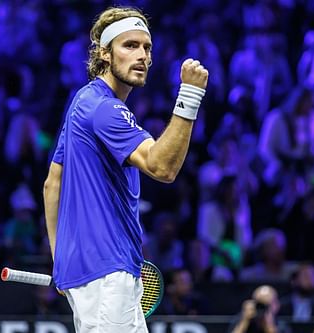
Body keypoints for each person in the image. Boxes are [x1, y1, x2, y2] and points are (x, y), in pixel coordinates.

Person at [43, 6, 208, 333]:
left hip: (97, 271)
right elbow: (162, 167)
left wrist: (60, 258)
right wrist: (190, 94)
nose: (142, 55)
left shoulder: (82, 102)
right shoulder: (105, 109)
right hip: (108, 273)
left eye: (147, 47)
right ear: (104, 53)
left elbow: (53, 183)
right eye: (129, 46)